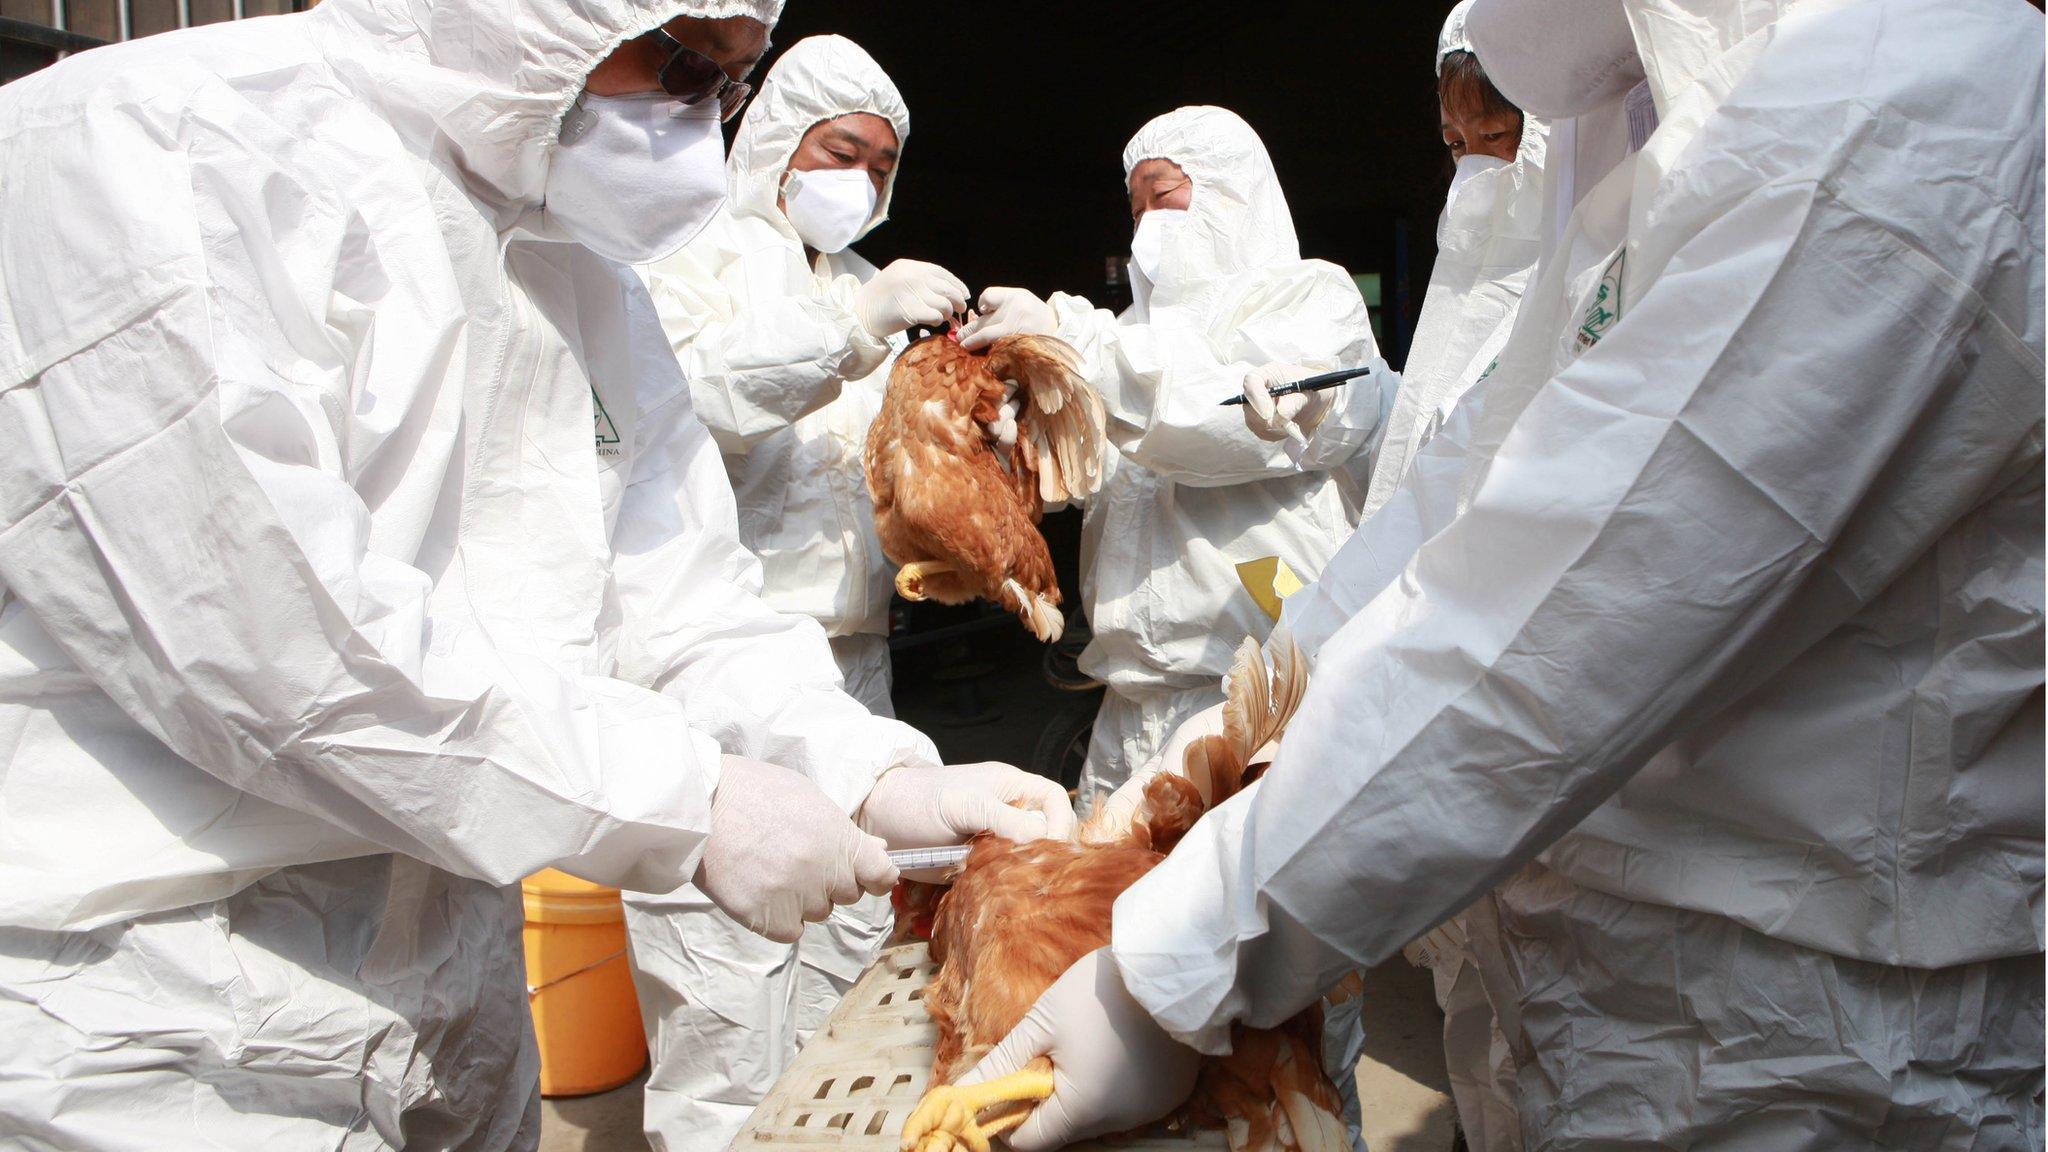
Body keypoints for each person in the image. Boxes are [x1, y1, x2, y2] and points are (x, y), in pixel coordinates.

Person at [961, 0, 2046, 1148]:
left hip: (1795, 1024)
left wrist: (1182, 958)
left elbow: (1573, 607)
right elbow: (1460, 501)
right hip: (1579, 977)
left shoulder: (1910, 92)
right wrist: (1226, 742)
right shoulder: (1654, 128)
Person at [0, 0, 1072, 1145]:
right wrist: (687, 802)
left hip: (442, 966)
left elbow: (674, 599)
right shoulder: (163, 141)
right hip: (143, 1000)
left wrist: (870, 774)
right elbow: (267, 642)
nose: (691, 117)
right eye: (675, 61)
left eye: (725, 84)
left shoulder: (573, 259)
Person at [625, 34, 963, 1150]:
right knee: (720, 983)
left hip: (848, 662)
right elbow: (692, 400)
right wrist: (849, 334)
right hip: (705, 666)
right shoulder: (688, 246)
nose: (856, 182)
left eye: (878, 166)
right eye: (839, 150)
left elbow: (886, 473)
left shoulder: (869, 284)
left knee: (850, 958)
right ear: (775, 134)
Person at [961, 105, 1394, 808]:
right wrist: (1029, 443)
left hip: (1254, 694)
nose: (1147, 224)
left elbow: (1215, 426)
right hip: (1128, 703)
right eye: (1136, 209)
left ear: (1232, 193)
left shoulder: (1310, 300)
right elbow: (1097, 468)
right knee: (1109, 904)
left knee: (1243, 902)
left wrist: (1073, 348)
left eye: (1164, 196)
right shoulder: (1132, 334)